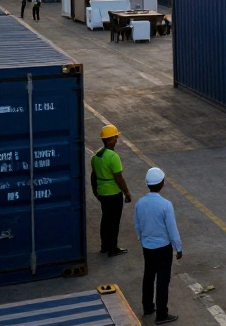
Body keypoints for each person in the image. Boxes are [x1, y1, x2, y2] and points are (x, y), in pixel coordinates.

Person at [135, 167, 181, 324]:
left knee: (148, 276)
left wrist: (142, 239)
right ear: (161, 184)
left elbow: (137, 225)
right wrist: (178, 248)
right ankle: (161, 314)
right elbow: (172, 229)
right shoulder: (166, 205)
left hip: (147, 247)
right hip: (163, 248)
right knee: (162, 281)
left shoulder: (140, 203)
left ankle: (148, 307)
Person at [90, 124, 132, 257]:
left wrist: (94, 189)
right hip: (113, 193)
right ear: (109, 140)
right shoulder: (113, 157)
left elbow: (93, 175)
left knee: (105, 219)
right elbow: (119, 178)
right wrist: (127, 192)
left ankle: (104, 246)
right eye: (115, 137)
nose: (116, 139)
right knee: (114, 221)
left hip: (102, 193)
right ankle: (113, 248)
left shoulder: (96, 155)